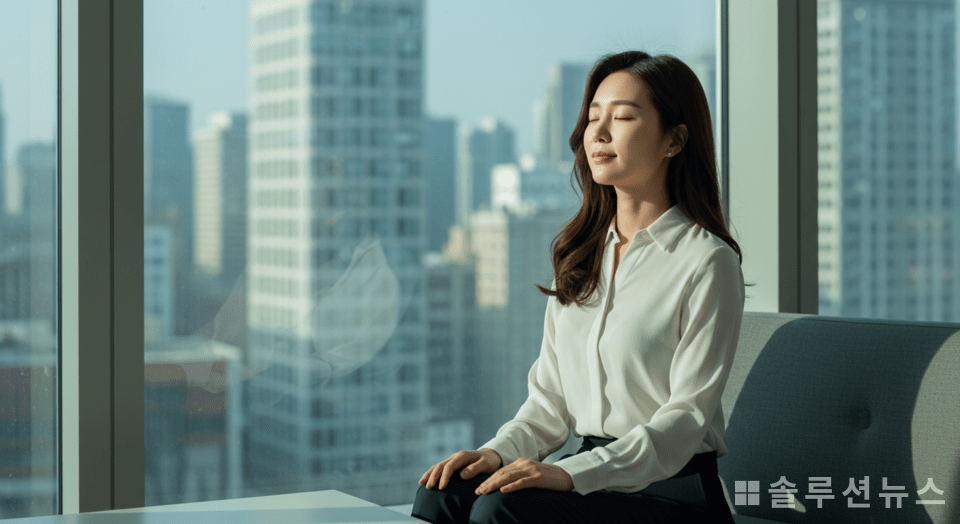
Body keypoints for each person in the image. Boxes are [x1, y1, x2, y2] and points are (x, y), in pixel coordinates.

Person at [412, 50, 744, 524]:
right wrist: (496, 454)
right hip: (591, 477)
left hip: (672, 491)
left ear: (674, 139)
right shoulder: (582, 256)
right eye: (593, 118)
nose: (600, 133)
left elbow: (685, 422)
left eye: (623, 117)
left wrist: (572, 474)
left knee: (503, 510)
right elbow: (549, 403)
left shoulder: (707, 261)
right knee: (442, 493)